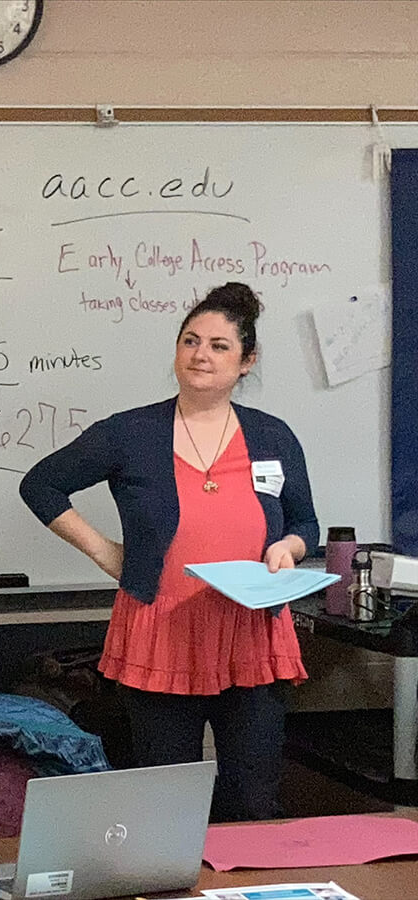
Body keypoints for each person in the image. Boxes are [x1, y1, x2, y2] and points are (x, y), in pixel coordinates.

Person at [19, 282, 318, 821]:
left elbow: (306, 523)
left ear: (247, 361)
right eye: (190, 340)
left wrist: (288, 548)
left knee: (252, 802)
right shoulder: (129, 433)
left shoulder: (274, 437)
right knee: (163, 809)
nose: (201, 354)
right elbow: (41, 485)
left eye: (220, 345)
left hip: (252, 637)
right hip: (162, 637)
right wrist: (107, 553)